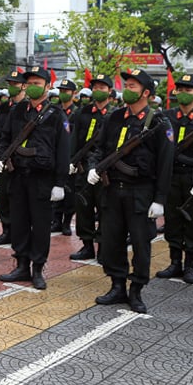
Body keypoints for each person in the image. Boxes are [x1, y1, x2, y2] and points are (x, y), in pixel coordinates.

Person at [87, 69, 173, 313]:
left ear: (146, 92)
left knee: (140, 243)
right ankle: (117, 285)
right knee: (111, 240)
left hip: (141, 193)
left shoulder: (159, 122)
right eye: (127, 84)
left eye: (133, 86)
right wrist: (93, 167)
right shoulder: (114, 118)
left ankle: (136, 290)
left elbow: (166, 164)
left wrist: (160, 200)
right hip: (112, 190)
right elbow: (99, 149)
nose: (128, 89)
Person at [0, 66, 69, 289]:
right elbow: (4, 139)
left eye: (38, 83)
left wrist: (60, 183)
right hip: (18, 176)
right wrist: (1, 157)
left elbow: (63, 151)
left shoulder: (56, 115)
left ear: (48, 87)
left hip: (42, 179)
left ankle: (37, 268)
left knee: (41, 225)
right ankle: (21, 265)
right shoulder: (17, 111)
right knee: (19, 222)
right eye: (30, 83)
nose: (32, 87)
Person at [156, 74, 193, 284]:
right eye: (180, 89)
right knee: (173, 220)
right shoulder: (166, 116)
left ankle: (190, 266)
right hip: (171, 176)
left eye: (189, 90)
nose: (184, 93)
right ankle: (175, 262)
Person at [69, 74, 114, 261]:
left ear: (110, 92)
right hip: (82, 167)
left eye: (102, 88)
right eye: (95, 87)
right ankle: (87, 245)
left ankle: (104, 246)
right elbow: (74, 139)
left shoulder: (115, 115)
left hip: (104, 171)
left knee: (105, 209)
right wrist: (71, 161)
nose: (98, 91)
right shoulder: (82, 112)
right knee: (83, 208)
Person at [0, 70, 26, 246]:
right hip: (3, 160)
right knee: (2, 197)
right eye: (9, 84)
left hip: (19, 162)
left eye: (14, 84)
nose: (11, 88)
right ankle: (6, 230)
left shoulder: (27, 108)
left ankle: (18, 232)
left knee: (18, 199)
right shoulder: (3, 107)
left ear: (23, 86)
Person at [52, 79, 78, 235]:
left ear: (73, 93)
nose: (63, 94)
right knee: (55, 188)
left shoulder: (77, 113)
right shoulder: (55, 111)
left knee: (69, 193)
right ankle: (56, 220)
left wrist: (74, 160)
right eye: (61, 91)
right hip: (56, 156)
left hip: (71, 158)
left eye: (66, 91)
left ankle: (66, 222)